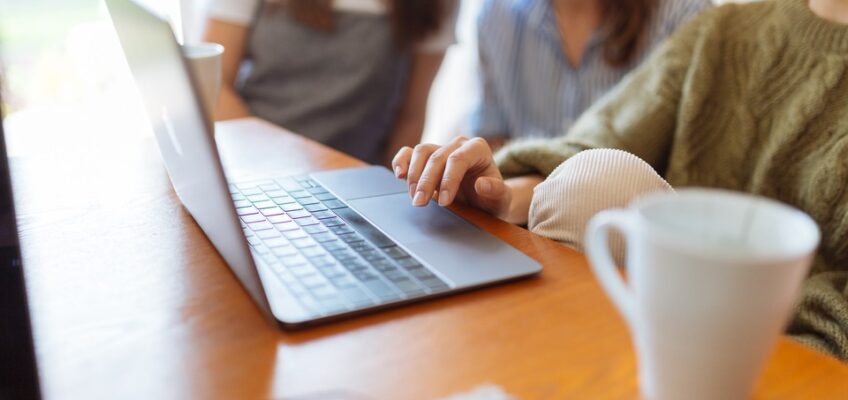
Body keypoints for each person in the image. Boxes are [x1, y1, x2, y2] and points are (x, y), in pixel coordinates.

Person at [392, 0, 848, 361]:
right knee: (599, 178)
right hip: (656, 315)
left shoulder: (686, 13)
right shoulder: (723, 33)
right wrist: (503, 195)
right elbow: (593, 147)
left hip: (798, 345)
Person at [204, 0, 459, 165]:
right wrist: (270, 168)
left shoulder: (433, 5)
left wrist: (390, 193)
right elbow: (213, 88)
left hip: (353, 185)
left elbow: (410, 116)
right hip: (251, 163)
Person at [469, 0, 710, 149]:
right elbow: (492, 140)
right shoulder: (495, 15)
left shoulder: (683, 15)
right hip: (520, 221)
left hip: (632, 223)